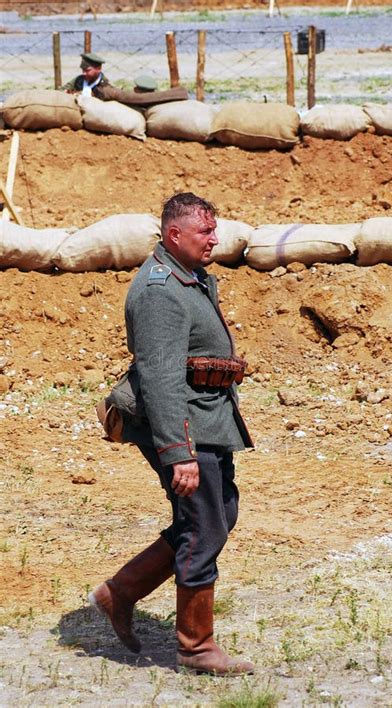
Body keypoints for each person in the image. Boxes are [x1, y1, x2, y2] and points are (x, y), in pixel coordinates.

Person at [89, 192, 254, 676]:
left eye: (214, 229)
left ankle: (119, 592)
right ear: (174, 234)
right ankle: (196, 647)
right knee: (204, 526)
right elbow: (160, 378)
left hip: (206, 418)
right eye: (206, 231)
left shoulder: (193, 278)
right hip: (184, 425)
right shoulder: (160, 290)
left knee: (219, 511)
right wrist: (178, 453)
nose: (215, 238)